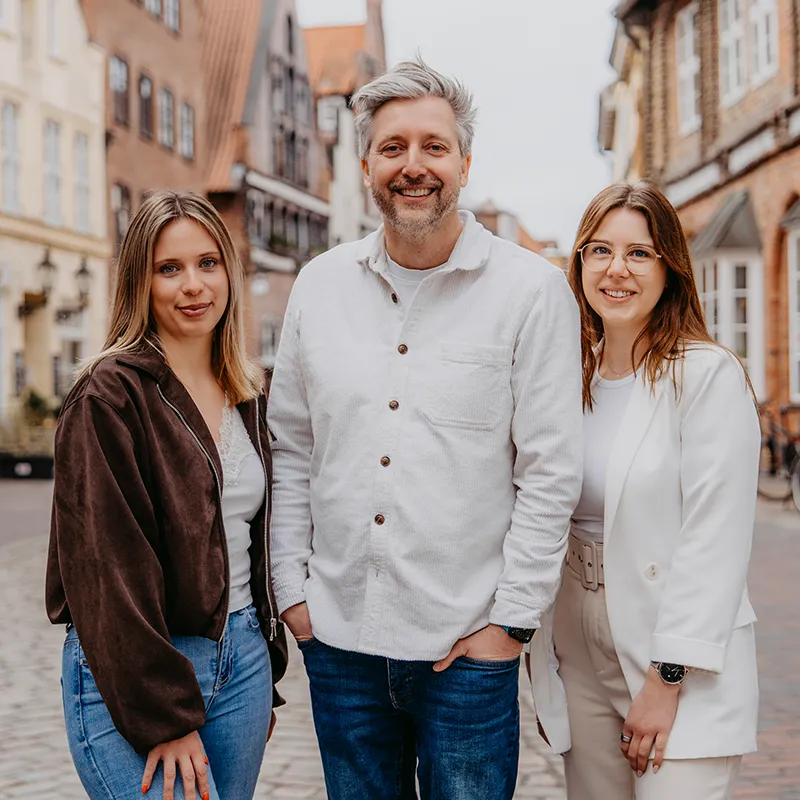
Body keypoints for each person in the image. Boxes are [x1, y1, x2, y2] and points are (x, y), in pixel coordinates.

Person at [267, 57, 583, 799]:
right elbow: (290, 447)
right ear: (368, 162)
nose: (415, 165)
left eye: (434, 146)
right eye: (393, 146)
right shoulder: (319, 285)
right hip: (339, 643)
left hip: (467, 651)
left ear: (465, 163)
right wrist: (292, 591)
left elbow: (549, 469)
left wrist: (510, 624)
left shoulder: (530, 291)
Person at [46, 191, 288, 800]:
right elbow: (107, 572)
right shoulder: (108, 395)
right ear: (140, 281)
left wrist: (261, 670)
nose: (193, 286)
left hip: (242, 662)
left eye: (208, 263)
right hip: (138, 670)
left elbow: (254, 543)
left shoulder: (248, 392)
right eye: (169, 268)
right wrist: (164, 716)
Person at [528, 181, 760, 800]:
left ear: (669, 268)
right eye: (599, 251)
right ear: (578, 265)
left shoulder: (707, 375)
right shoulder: (565, 379)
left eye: (639, 253)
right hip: (577, 633)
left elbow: (716, 536)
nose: (616, 270)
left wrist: (667, 677)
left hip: (674, 642)